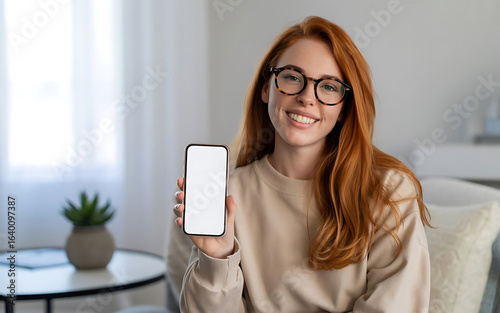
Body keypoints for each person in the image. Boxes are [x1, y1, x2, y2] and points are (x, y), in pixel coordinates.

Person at [172, 15, 432, 313]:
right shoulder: (228, 194)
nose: (307, 97)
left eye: (329, 87)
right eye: (292, 77)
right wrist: (218, 258)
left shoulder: (389, 191)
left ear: (345, 108)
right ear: (266, 88)